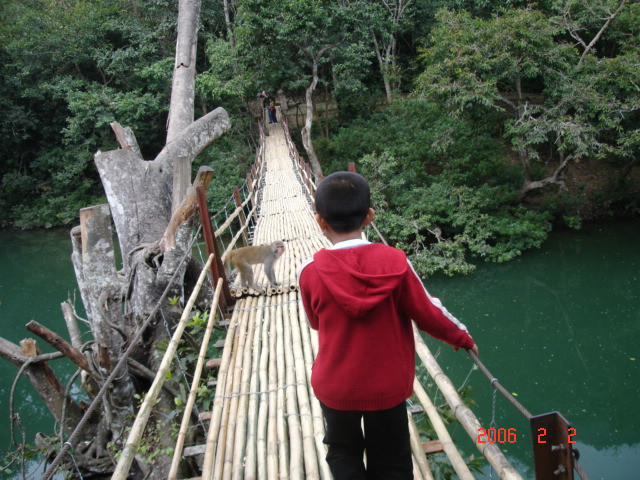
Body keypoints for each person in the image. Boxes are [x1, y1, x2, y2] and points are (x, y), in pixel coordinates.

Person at [298, 171, 478, 480]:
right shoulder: (396, 263)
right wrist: (460, 337)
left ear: (320, 221)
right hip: (387, 386)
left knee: (342, 452)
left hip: (336, 384)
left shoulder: (309, 273)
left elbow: (315, 323)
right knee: (392, 461)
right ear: (369, 216)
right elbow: (427, 312)